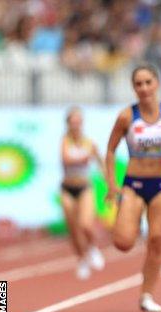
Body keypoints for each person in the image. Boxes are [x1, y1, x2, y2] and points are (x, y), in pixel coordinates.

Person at [105, 63, 161, 312]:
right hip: (134, 184)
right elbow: (110, 150)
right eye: (138, 84)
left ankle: (146, 295)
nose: (143, 88)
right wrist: (112, 186)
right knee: (122, 242)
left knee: (157, 241)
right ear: (133, 88)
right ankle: (129, 216)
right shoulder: (126, 117)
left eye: (147, 82)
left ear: (157, 84)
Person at [60, 107, 106, 280]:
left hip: (85, 187)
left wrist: (109, 183)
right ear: (68, 124)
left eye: (79, 121)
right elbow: (65, 159)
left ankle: (92, 248)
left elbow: (100, 162)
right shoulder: (65, 140)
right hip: (67, 188)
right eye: (73, 121)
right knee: (73, 229)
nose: (76, 125)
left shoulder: (89, 142)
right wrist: (83, 158)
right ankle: (82, 259)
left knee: (86, 224)